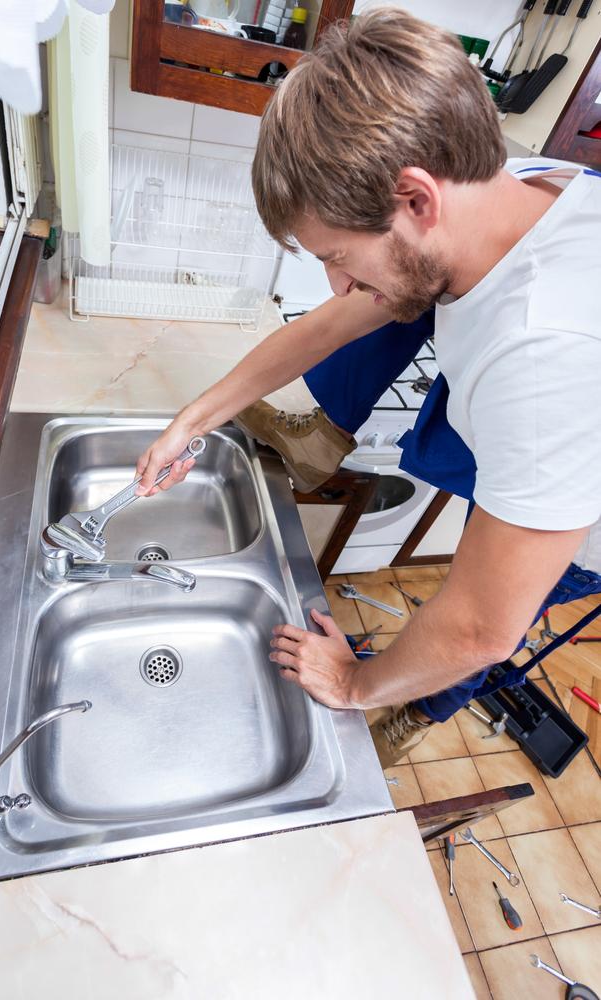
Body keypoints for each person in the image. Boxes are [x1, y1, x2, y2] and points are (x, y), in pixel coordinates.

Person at [132, 8, 601, 765]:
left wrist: (353, 684)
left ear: (416, 199)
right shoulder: (507, 186)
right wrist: (194, 419)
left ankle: (413, 712)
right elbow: (336, 323)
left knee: (486, 618)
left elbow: (482, 625)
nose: (336, 283)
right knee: (395, 298)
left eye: (337, 255)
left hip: (587, 522)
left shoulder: (544, 357)